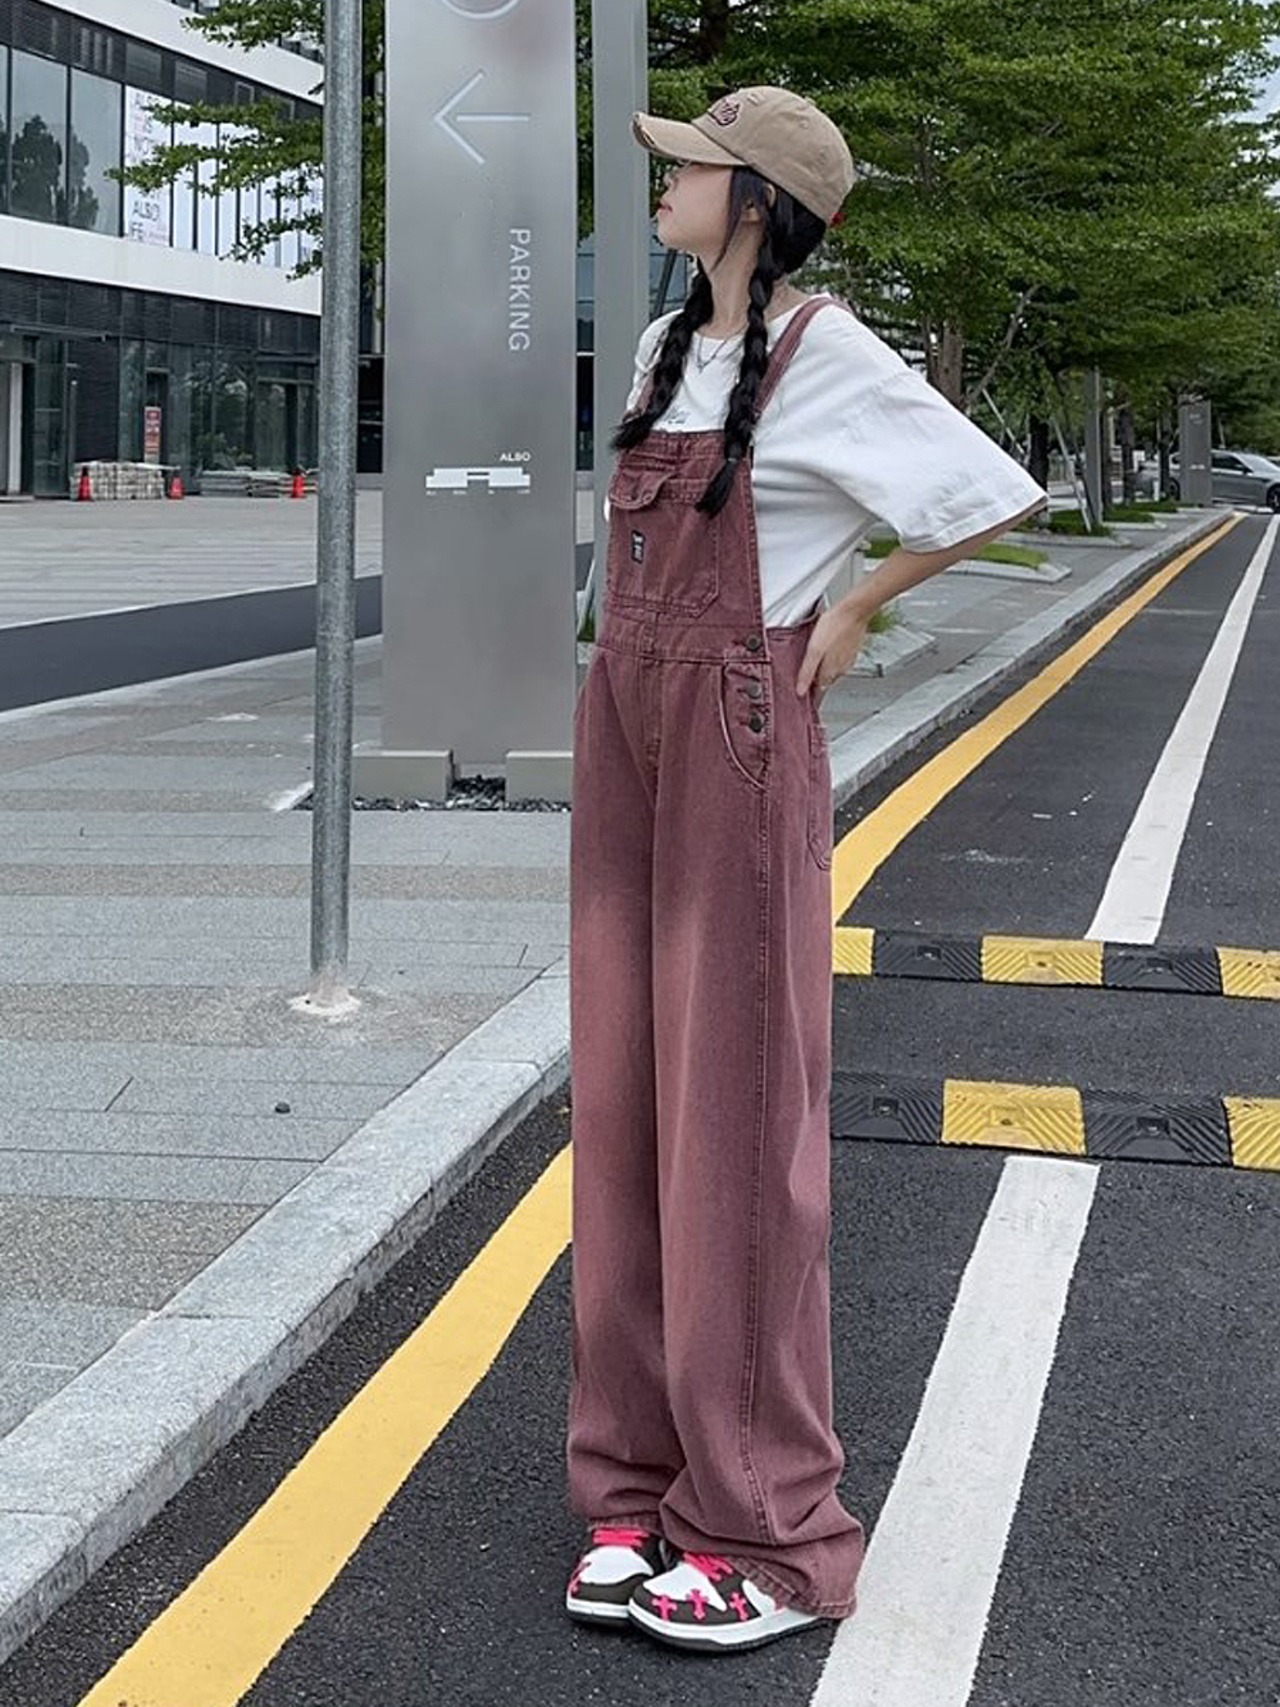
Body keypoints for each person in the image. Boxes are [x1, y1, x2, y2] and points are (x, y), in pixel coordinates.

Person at [564, 86, 1047, 1658]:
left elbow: (993, 492)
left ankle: (770, 1533)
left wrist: (855, 606)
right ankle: (636, 1486)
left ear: (758, 200)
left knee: (736, 1118)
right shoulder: (667, 347)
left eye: (691, 167)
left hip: (737, 729)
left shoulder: (824, 353)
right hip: (626, 721)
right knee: (625, 1108)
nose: (666, 184)